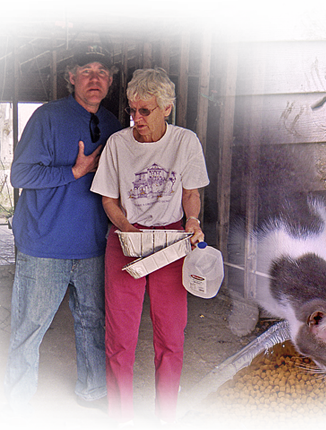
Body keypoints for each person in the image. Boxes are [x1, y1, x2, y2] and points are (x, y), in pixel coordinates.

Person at [2, 44, 122, 430]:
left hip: (92, 245)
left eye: (101, 72)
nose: (94, 79)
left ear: (110, 81)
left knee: (92, 321)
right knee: (29, 326)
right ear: (70, 78)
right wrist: (74, 171)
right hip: (44, 244)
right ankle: (17, 408)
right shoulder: (47, 117)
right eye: (85, 71)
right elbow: (20, 175)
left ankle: (92, 389)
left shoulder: (115, 125)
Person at [90, 68, 209, 430]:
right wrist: (129, 231)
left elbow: (191, 193)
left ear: (167, 109)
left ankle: (166, 416)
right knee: (121, 335)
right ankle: (123, 417)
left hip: (171, 241)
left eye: (145, 111)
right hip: (127, 239)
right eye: (132, 110)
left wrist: (192, 220)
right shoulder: (118, 144)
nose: (136, 119)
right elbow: (109, 199)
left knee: (171, 335)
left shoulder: (185, 142)